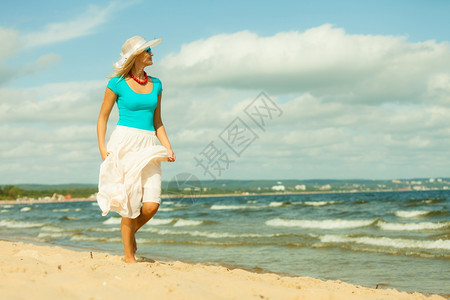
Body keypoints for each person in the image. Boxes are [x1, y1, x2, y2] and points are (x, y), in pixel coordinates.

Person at [96, 36, 175, 263]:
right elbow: (102, 118)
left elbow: (158, 121)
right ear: (136, 55)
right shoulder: (117, 83)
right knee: (129, 204)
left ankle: (131, 232)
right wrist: (103, 148)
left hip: (149, 144)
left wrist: (167, 147)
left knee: (151, 205)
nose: (152, 54)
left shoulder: (157, 84)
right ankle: (129, 258)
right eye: (148, 50)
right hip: (124, 143)